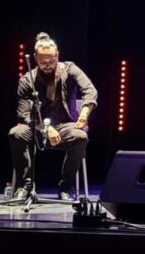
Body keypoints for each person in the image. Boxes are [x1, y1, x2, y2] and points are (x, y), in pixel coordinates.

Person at [8, 32, 97, 201]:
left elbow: (90, 90)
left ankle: (66, 185)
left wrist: (85, 113)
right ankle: (25, 186)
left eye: (51, 60)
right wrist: (45, 129)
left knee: (80, 137)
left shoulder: (70, 69)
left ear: (57, 56)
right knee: (16, 134)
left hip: (65, 125)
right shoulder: (27, 80)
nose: (47, 65)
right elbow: (23, 113)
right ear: (35, 58)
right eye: (43, 61)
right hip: (36, 127)